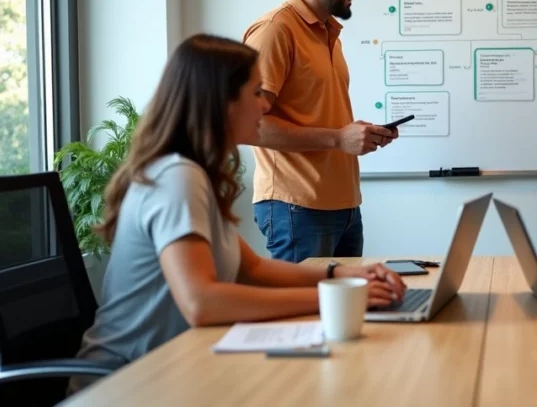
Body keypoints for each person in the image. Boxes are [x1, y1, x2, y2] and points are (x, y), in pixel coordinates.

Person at [69, 35, 406, 394]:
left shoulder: (193, 173)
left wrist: (344, 275)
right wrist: (338, 298)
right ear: (221, 102)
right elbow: (201, 303)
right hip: (129, 385)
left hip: (175, 371)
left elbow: (254, 269)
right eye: (257, 92)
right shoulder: (176, 177)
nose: (266, 105)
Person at [242, 0, 396, 262]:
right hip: (296, 208)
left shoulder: (329, 34)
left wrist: (356, 135)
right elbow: (249, 126)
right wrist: (338, 138)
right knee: (305, 300)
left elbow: (318, 117)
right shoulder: (275, 31)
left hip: (345, 207)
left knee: (349, 300)